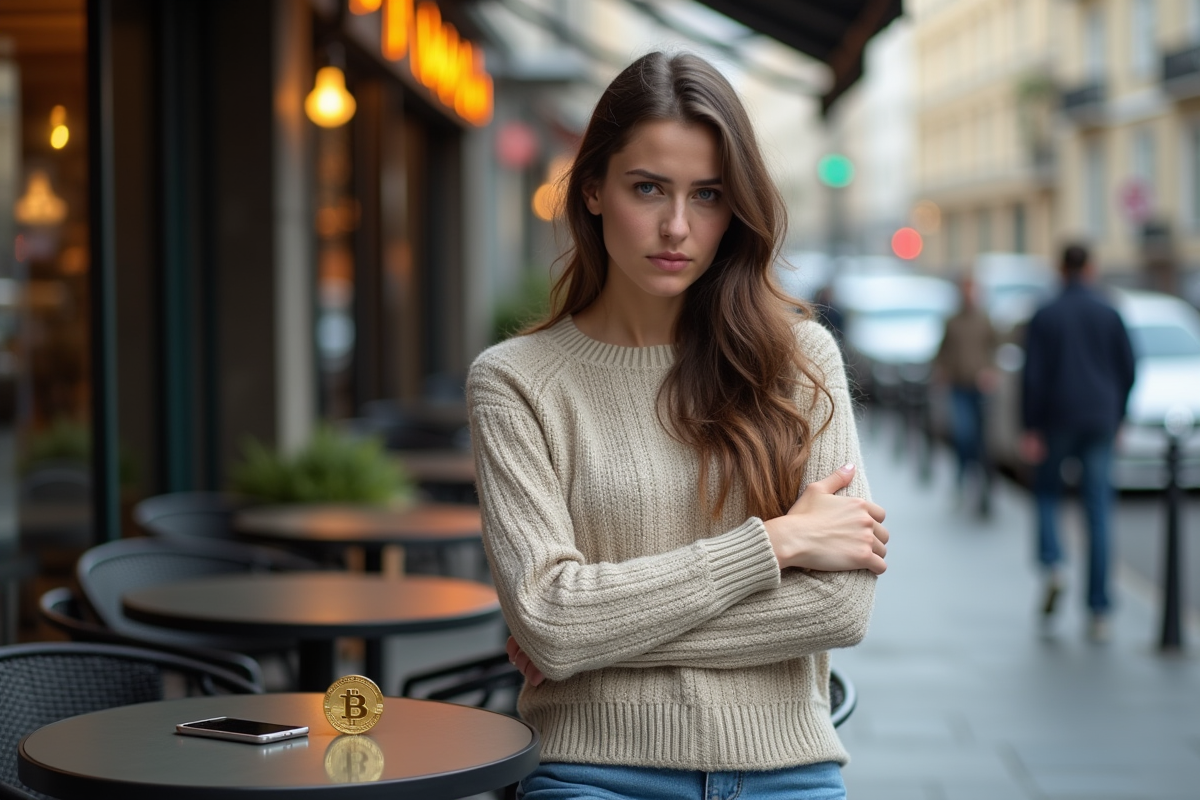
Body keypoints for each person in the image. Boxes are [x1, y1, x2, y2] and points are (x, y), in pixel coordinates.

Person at [466, 52, 888, 800]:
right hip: (593, 774)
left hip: (785, 773)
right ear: (592, 189)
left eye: (708, 195)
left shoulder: (800, 361)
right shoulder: (515, 383)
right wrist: (776, 543)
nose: (677, 226)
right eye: (648, 188)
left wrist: (595, 637)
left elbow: (838, 607)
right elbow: (551, 621)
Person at [1020, 243, 1135, 643]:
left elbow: (1033, 375)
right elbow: (1128, 368)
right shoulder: (1109, 311)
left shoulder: (1045, 313)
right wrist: (1120, 415)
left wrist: (1030, 426)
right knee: (1098, 510)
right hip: (1100, 417)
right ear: (1090, 268)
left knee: (1047, 494)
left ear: (1060, 269)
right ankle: (1099, 609)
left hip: (1056, 418)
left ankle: (1053, 563)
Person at [933, 274, 999, 517]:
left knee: (983, 440)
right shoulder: (952, 321)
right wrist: (942, 372)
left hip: (980, 388)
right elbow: (942, 351)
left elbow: (996, 349)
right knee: (964, 434)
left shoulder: (985, 320)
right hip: (959, 387)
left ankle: (983, 486)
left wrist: (991, 371)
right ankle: (962, 477)